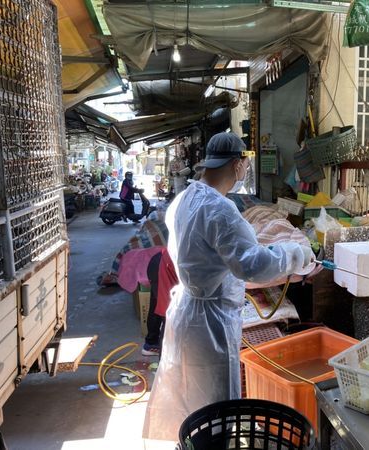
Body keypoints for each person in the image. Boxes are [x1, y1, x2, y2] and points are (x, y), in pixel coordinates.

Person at [143, 132, 314, 441]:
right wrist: (295, 254)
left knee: (194, 403)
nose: (245, 170)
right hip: (210, 323)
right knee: (217, 409)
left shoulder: (184, 199)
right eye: (245, 164)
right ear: (237, 165)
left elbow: (209, 253)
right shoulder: (220, 209)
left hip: (188, 312)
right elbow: (253, 265)